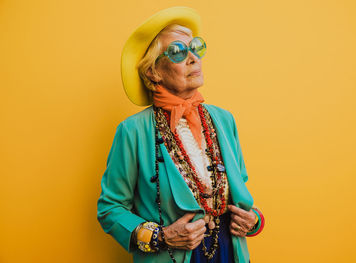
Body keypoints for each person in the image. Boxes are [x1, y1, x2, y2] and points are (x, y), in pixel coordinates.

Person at [97, 6, 265, 263]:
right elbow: (110, 209)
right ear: (153, 72)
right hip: (173, 257)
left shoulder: (224, 120)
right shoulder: (132, 131)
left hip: (229, 253)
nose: (193, 58)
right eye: (177, 52)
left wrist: (253, 220)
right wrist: (161, 237)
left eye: (196, 48)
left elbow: (239, 192)